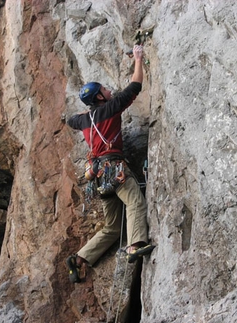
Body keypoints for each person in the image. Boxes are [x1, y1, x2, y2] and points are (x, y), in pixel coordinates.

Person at [65, 44, 154, 283]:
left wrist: (83, 116)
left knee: (112, 228)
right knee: (135, 202)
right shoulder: (110, 110)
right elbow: (135, 87)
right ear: (99, 97)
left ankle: (80, 258)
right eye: (105, 89)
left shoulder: (82, 120)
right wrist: (138, 58)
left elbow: (70, 120)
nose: (109, 90)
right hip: (114, 170)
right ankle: (135, 246)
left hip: (98, 176)